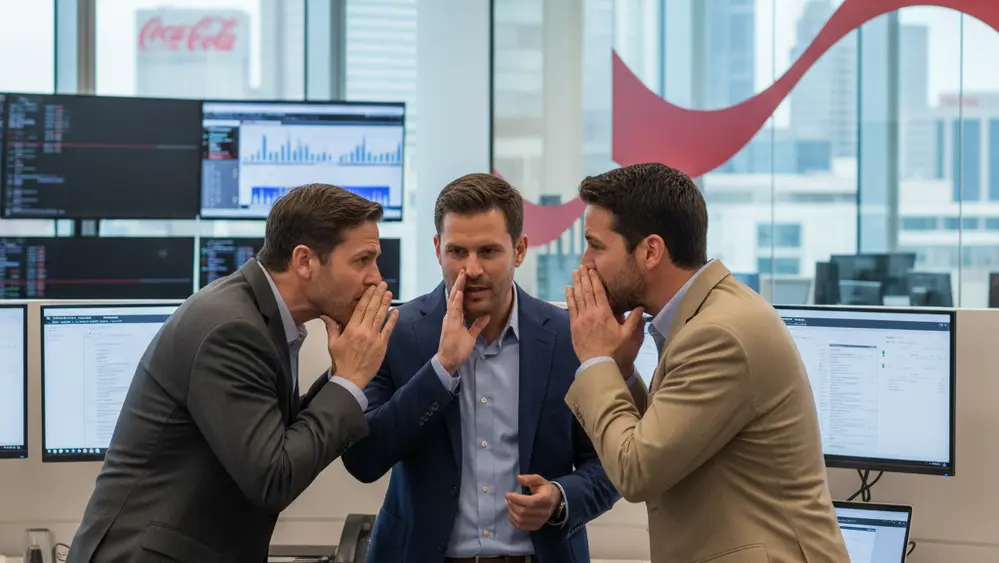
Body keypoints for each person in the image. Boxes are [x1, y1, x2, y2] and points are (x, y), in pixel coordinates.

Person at [66, 184, 399, 563]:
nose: (375, 278)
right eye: (362, 260)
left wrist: (343, 374)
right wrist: (348, 382)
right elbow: (274, 477)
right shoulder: (231, 330)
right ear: (304, 261)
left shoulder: (259, 318)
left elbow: (282, 443)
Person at [562, 163, 850, 563]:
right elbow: (670, 441)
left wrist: (596, 362)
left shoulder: (718, 334)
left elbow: (636, 470)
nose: (584, 264)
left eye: (596, 245)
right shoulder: (703, 317)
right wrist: (623, 373)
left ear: (650, 251)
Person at [341, 173, 620, 563]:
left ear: (520, 250)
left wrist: (559, 498)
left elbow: (610, 465)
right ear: (437, 249)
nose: (471, 269)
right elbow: (364, 459)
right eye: (457, 252)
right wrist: (442, 368)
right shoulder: (395, 332)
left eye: (488, 251)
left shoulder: (568, 337)